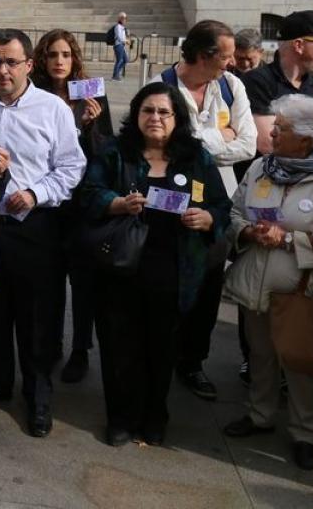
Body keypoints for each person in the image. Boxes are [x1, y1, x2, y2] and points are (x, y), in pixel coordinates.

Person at [79, 83, 229, 447]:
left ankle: (154, 415)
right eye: (148, 111)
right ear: (137, 114)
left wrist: (206, 219)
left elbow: (223, 207)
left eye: (164, 112)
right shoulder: (116, 152)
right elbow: (87, 194)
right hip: (121, 267)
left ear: (177, 117)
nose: (156, 118)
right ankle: (121, 417)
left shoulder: (196, 157)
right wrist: (118, 204)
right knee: (119, 347)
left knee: (161, 349)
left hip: (173, 269)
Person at [222, 95, 313, 471]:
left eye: (281, 129)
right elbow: (234, 211)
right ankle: (259, 415)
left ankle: (305, 433)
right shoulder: (261, 168)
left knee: (301, 366)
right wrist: (249, 231)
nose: (272, 133)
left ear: (306, 139)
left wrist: (286, 239)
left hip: (303, 293)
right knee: (260, 357)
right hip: (256, 285)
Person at [0, 29, 87, 439]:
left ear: (29, 65)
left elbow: (71, 167)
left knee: (39, 318)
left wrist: (34, 192)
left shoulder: (52, 108)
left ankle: (38, 393)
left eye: (11, 62)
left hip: (35, 227)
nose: (2, 70)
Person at [149, 20, 256, 401]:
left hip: (217, 203)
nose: (232, 63)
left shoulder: (232, 86)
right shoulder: (161, 86)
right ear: (202, 55)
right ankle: (159, 357)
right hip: (168, 203)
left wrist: (195, 143)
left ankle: (193, 362)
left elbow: (247, 144)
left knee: (208, 289)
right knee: (167, 284)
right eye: (225, 57)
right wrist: (217, 138)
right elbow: (163, 145)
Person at [30, 28, 115, 384]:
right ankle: (50, 345)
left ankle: (81, 349)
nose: (59, 62)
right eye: (52, 55)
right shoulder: (35, 96)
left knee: (83, 284)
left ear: (74, 58)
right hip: (47, 204)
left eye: (65, 55)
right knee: (47, 281)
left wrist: (91, 127)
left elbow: (108, 151)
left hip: (81, 205)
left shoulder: (91, 94)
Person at [241, 10, 313, 156]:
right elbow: (268, 143)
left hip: (311, 175)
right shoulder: (257, 81)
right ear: (298, 45)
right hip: (268, 176)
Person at [111, 12, 129, 81]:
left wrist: (126, 40)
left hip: (121, 45)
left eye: (125, 18)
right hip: (118, 45)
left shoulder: (122, 27)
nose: (125, 20)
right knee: (119, 60)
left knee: (125, 60)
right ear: (120, 19)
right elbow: (119, 37)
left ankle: (116, 73)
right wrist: (126, 41)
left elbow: (122, 37)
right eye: (123, 18)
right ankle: (115, 76)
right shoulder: (118, 26)